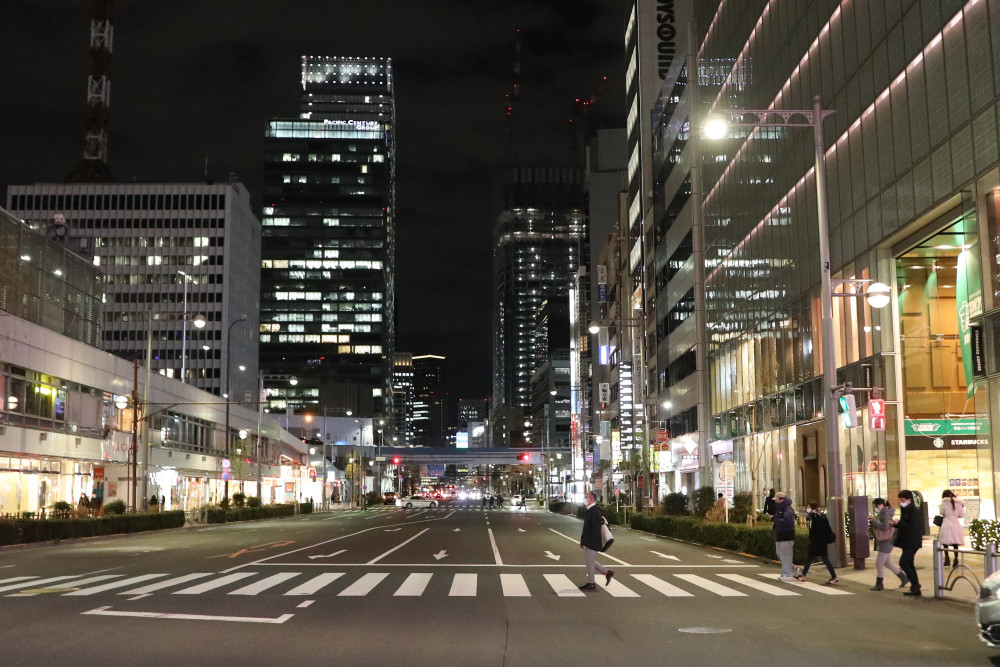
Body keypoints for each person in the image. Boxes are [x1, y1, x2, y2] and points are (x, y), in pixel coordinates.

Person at [579, 491, 613, 591]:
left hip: (593, 541)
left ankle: (591, 583)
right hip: (590, 541)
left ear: (592, 499)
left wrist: (585, 541)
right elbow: (586, 528)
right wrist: (583, 541)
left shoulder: (594, 511)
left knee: (589, 562)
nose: (585, 499)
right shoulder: (591, 510)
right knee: (590, 561)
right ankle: (607, 573)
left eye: (587, 497)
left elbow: (593, 529)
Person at [795, 502, 837, 584]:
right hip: (821, 542)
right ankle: (834, 577)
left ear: (812, 508)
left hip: (817, 542)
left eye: (808, 507)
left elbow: (816, 531)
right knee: (824, 560)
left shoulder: (815, 517)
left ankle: (803, 576)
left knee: (810, 559)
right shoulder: (819, 515)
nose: (807, 508)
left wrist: (813, 540)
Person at [870, 498, 907, 591]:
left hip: (887, 541)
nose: (874, 508)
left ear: (880, 505)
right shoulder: (885, 512)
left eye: (875, 506)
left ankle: (879, 583)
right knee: (887, 562)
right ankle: (904, 578)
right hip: (886, 540)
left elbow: (885, 526)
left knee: (879, 563)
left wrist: (874, 521)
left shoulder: (885, 512)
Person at [892, 489, 923, 597]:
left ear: (909, 500)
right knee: (909, 563)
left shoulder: (914, 511)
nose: (901, 502)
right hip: (906, 541)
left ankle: (915, 584)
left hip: (912, 541)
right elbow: (905, 525)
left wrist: (899, 522)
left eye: (902, 500)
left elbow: (912, 527)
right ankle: (915, 587)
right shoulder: (906, 509)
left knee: (903, 562)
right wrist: (895, 524)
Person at [772, 491, 797, 582]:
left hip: (786, 535)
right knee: (780, 554)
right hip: (780, 534)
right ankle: (792, 568)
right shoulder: (781, 509)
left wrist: (775, 519)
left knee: (785, 555)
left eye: (777, 500)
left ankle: (786, 574)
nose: (775, 502)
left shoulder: (787, 509)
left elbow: (787, 522)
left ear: (781, 499)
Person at [938, 490, 966, 567]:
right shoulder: (959, 503)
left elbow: (941, 512)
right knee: (955, 542)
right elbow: (961, 515)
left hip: (946, 522)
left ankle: (947, 559)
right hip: (955, 523)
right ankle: (956, 559)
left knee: (945, 542)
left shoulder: (944, 502)